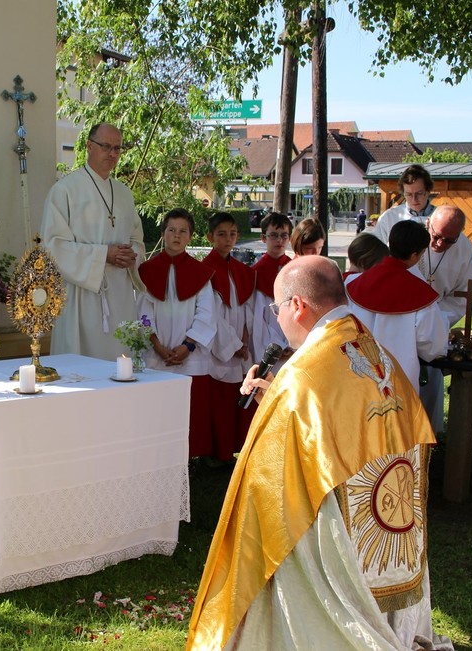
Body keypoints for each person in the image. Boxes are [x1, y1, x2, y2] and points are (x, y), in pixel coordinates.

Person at [187, 256, 452, 651]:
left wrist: (279, 403)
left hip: (330, 534)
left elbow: (268, 477)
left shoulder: (304, 374)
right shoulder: (371, 349)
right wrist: (275, 398)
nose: (277, 319)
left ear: (298, 305)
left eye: (277, 308)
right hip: (386, 521)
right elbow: (340, 421)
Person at [41, 123, 145, 360]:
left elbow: (136, 239)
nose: (112, 153)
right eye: (106, 146)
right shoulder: (65, 190)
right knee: (82, 364)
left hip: (119, 292)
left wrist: (132, 254)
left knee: (121, 360)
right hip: (82, 294)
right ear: (89, 146)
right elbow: (53, 245)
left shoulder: (124, 193)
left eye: (117, 148)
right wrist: (103, 255)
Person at [137, 208, 217, 457]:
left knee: (189, 413)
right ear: (163, 234)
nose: (177, 235)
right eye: (171, 230)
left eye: (183, 231)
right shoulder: (147, 270)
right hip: (156, 355)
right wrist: (157, 346)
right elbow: (143, 313)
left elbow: (206, 314)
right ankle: (158, 457)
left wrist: (188, 346)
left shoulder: (200, 273)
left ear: (190, 237)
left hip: (190, 357)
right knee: (158, 413)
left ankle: (189, 459)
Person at [346, 220, 449, 391]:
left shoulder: (352, 283)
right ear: (415, 255)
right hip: (399, 380)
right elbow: (432, 347)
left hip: (358, 375)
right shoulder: (421, 295)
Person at [416, 205, 472, 435]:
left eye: (449, 240)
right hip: (402, 319)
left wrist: (432, 319)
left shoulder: (465, 249)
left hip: (436, 322)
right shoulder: (412, 235)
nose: (440, 244)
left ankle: (427, 436)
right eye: (436, 236)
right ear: (429, 224)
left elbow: (461, 297)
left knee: (430, 381)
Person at [201, 211, 255, 462]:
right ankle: (218, 453)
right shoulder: (205, 270)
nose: (228, 239)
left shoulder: (241, 270)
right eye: (221, 234)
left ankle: (236, 448)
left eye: (232, 234)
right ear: (210, 237)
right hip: (220, 345)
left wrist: (244, 340)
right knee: (220, 402)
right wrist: (232, 345)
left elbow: (245, 308)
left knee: (239, 398)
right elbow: (212, 314)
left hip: (239, 342)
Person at [249, 212, 293, 365]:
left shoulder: (295, 270)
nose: (279, 240)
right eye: (273, 235)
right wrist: (278, 345)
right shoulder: (255, 273)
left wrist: (292, 343)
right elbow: (257, 319)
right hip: (266, 344)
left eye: (284, 235)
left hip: (293, 343)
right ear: (263, 238)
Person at [372, 164, 436, 243]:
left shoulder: (441, 218)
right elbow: (377, 248)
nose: (414, 199)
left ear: (428, 191)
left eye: (419, 193)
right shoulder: (388, 218)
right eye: (409, 194)